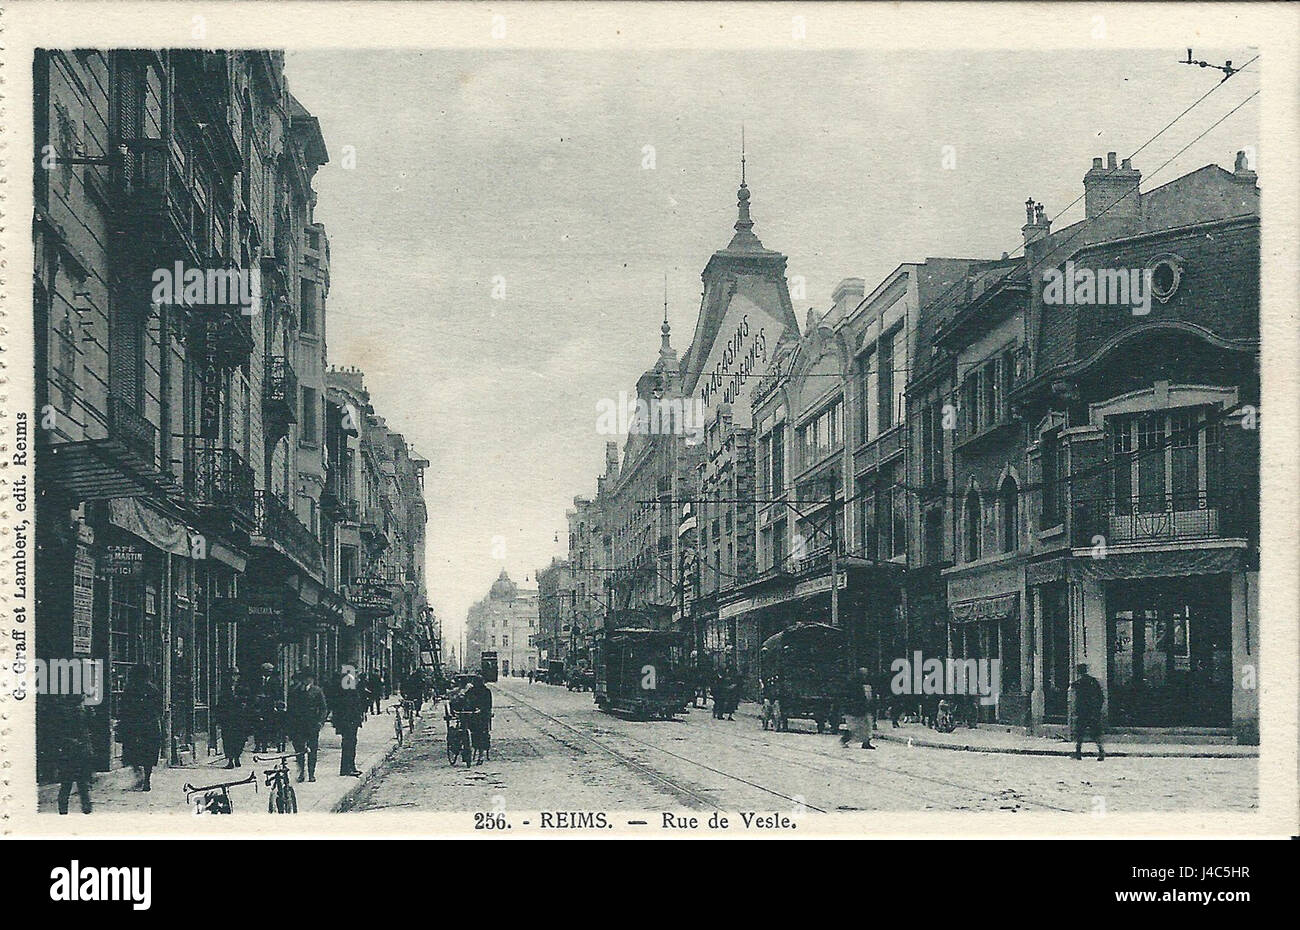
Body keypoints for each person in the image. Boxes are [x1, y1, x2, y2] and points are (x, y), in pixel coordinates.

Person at [119, 663, 163, 790]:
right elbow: (159, 708)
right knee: (149, 754)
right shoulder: (153, 689)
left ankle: (139, 774)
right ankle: (147, 779)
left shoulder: (130, 688)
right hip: (150, 725)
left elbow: (124, 707)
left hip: (134, 725)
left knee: (132, 751)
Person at [53, 692, 94, 814]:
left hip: (70, 752)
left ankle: (64, 810)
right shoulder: (80, 712)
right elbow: (88, 728)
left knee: (67, 784)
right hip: (77, 752)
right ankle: (85, 808)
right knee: (81, 784)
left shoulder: (65, 712)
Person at [286, 669, 329, 782]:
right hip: (298, 724)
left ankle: (311, 773)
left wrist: (320, 722)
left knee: (312, 750)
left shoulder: (317, 691)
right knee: (299, 749)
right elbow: (291, 708)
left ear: (312, 679)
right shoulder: (295, 690)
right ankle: (301, 772)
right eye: (304, 678)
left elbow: (323, 708)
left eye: (309, 678)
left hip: (312, 724)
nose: (306, 680)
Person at [330, 666, 366, 776]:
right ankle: (347, 768)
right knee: (349, 743)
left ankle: (349, 767)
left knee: (350, 743)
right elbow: (350, 704)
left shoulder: (346, 684)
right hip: (349, 720)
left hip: (348, 720)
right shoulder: (348, 684)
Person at [1070, 663, 1106, 761]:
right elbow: (1101, 697)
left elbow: (1075, 700)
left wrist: (1075, 711)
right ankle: (1101, 752)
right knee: (1095, 733)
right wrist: (1097, 709)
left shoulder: (1078, 684)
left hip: (1082, 712)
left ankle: (1078, 753)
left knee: (1080, 733)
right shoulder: (1093, 682)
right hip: (1093, 712)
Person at [215, 668, 249, 768]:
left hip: (240, 718)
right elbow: (221, 703)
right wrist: (219, 718)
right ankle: (230, 760)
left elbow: (247, 701)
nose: (233, 678)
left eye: (235, 675)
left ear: (238, 676)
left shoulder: (243, 687)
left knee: (240, 739)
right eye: (231, 675)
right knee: (228, 738)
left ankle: (237, 757)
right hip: (228, 718)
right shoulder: (224, 688)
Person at [839, 667, 875, 750]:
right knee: (855, 728)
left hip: (865, 708)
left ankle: (866, 743)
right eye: (863, 674)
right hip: (856, 710)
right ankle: (844, 740)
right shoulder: (854, 684)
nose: (865, 676)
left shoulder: (867, 683)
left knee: (868, 727)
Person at [251, 662, 281, 752]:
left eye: (270, 671)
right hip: (258, 706)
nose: (268, 673)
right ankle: (257, 745)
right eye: (266, 671)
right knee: (257, 726)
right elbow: (253, 691)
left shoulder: (275, 681)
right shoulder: (256, 680)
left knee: (266, 726)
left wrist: (274, 703)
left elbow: (277, 693)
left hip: (269, 706)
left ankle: (264, 746)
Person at [464, 675, 493, 765]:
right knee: (473, 733)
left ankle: (481, 754)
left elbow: (488, 704)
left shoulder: (486, 691)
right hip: (472, 715)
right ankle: (472, 749)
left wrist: (481, 709)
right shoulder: (471, 691)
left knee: (482, 734)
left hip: (482, 716)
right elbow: (465, 699)